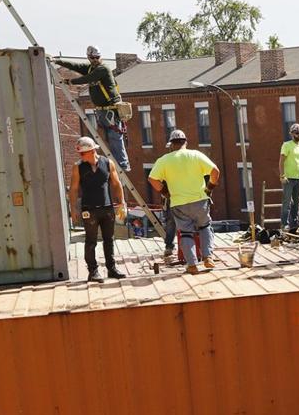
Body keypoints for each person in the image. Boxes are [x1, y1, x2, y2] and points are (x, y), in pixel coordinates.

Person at [147, 129, 220, 274]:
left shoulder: (164, 160)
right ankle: (208, 257)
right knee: (205, 227)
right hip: (199, 200)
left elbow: (152, 179)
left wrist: (166, 193)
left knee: (186, 233)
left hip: (178, 203)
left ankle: (192, 264)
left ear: (171, 145)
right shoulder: (196, 155)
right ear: (185, 142)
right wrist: (209, 188)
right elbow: (215, 172)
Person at [54, 46, 130, 172]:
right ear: (89, 57)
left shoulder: (103, 69)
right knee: (104, 137)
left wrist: (70, 81)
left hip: (111, 109)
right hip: (101, 110)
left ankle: (122, 165)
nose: (95, 59)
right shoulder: (90, 68)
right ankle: (109, 163)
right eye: (92, 58)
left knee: (115, 136)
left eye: (97, 57)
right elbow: (76, 66)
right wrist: (57, 61)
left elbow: (88, 78)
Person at [68, 136, 126, 283]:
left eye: (83, 153)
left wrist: (122, 203)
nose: (81, 156)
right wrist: (73, 209)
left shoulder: (107, 163)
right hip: (89, 209)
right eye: (80, 153)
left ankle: (111, 269)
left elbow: (117, 184)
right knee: (91, 241)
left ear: (92, 150)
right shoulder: (78, 167)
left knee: (109, 240)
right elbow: (74, 189)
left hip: (107, 208)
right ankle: (93, 272)